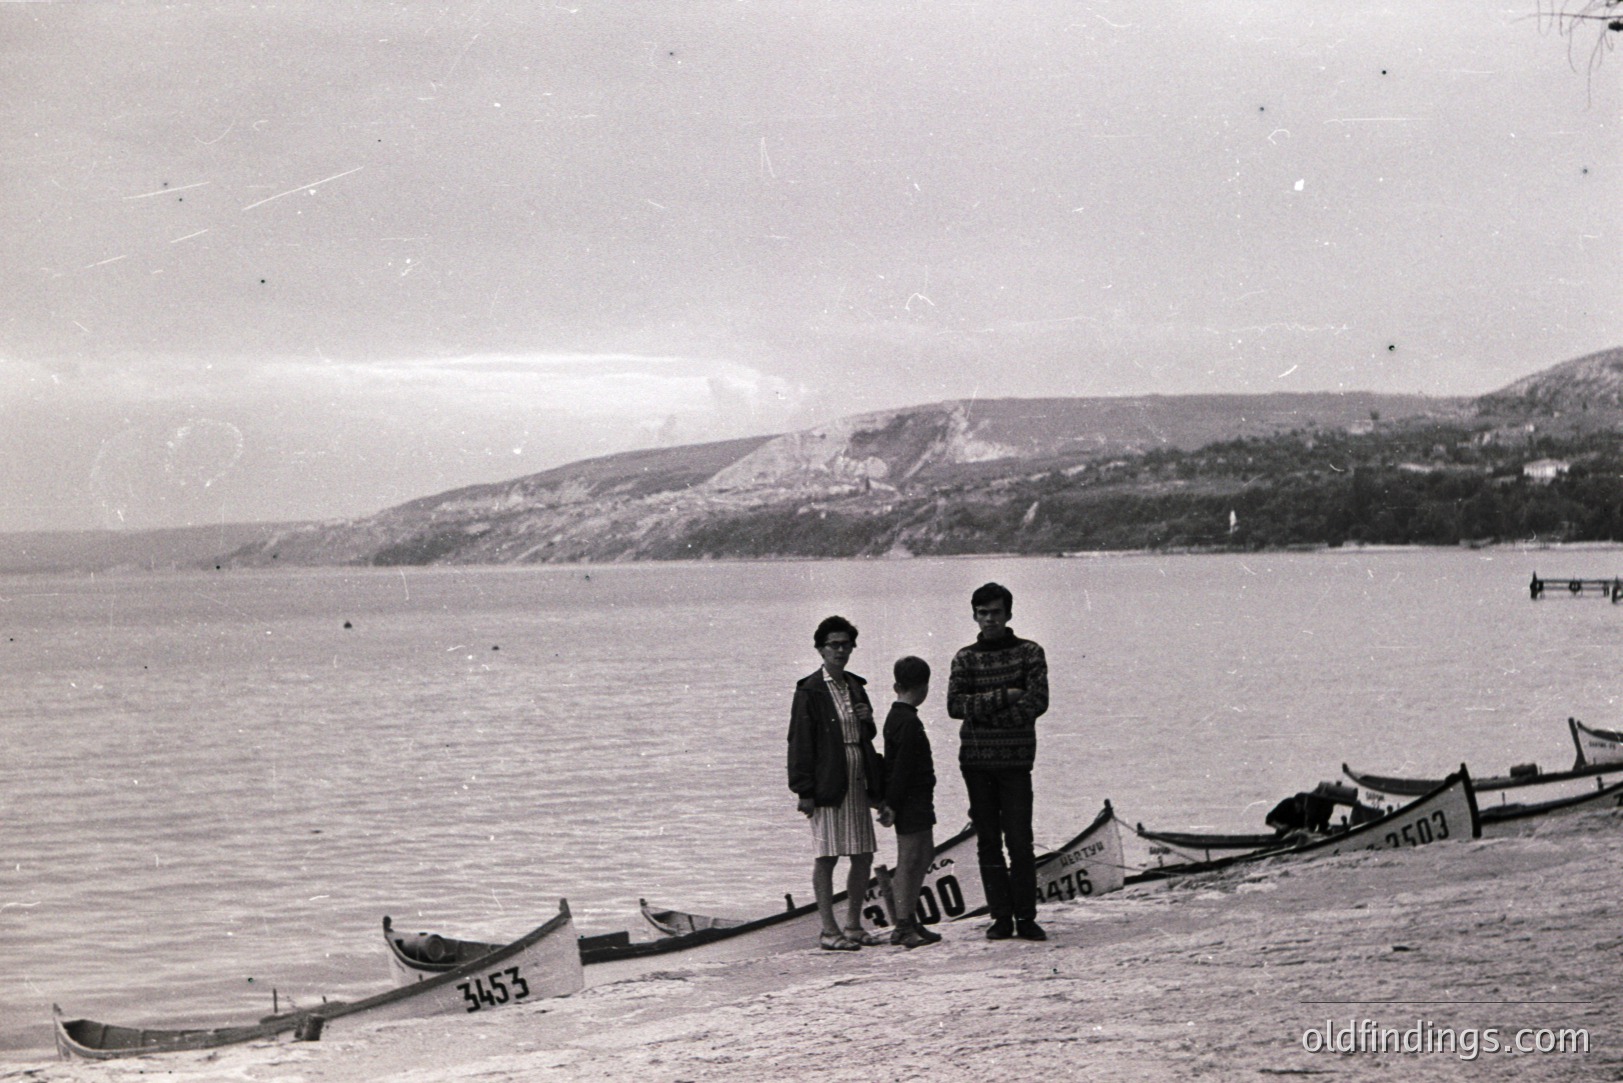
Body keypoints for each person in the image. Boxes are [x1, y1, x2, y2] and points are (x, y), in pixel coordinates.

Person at [947, 582, 1049, 942]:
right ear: (974, 615)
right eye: (983, 612)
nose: (989, 619)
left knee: (1020, 841)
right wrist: (1005, 696)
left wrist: (984, 715)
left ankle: (1026, 917)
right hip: (976, 765)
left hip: (1016, 762)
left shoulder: (1030, 653)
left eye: (996, 612)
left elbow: (1037, 704)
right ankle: (1000, 918)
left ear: (1009, 614)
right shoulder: (964, 658)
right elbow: (955, 707)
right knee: (988, 841)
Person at [787, 615, 887, 951]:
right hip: (828, 782)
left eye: (845, 644)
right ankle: (829, 931)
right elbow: (800, 741)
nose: (840, 650)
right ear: (820, 648)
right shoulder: (810, 690)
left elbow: (867, 736)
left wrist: (867, 720)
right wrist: (804, 790)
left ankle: (854, 926)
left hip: (857, 780)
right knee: (827, 856)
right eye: (833, 644)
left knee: (862, 854)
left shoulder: (855, 685)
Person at [881, 655, 942, 949]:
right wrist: (892, 803)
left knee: (925, 853)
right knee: (909, 859)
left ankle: (910, 918)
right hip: (909, 800)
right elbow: (901, 767)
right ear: (925, 688)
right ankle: (903, 925)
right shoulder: (906, 721)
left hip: (918, 798)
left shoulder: (899, 717)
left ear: (897, 685)